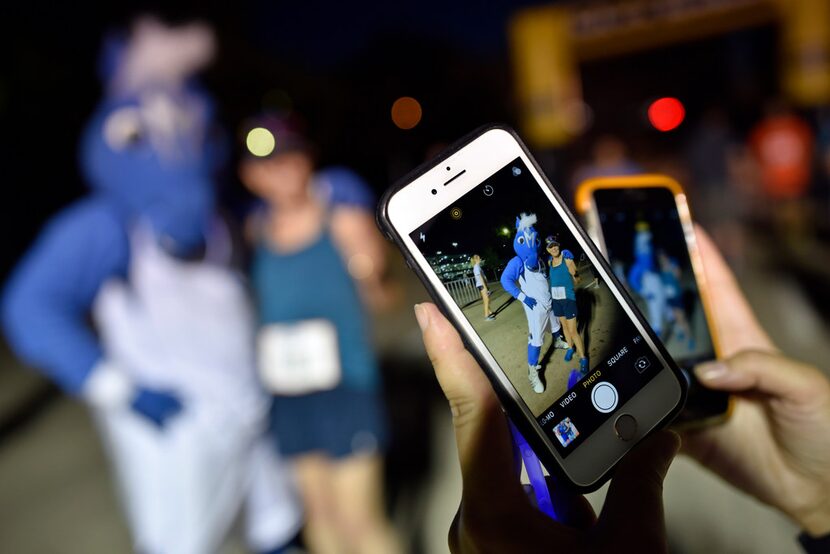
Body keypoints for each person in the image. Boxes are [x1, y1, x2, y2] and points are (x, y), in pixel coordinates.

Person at [1, 19, 301, 554]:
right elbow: (30, 306)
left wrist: (328, 196)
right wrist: (118, 388)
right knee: (181, 539)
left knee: (275, 523)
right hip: (175, 427)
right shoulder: (105, 227)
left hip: (248, 409)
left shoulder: (220, 220)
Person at [414, 226, 830, 553]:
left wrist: (817, 496)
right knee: (542, 342)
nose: (540, 245)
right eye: (536, 242)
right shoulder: (521, 264)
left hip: (562, 305)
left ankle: (567, 352)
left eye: (542, 242)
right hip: (541, 307)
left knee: (571, 334)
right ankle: (536, 368)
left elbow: (571, 273)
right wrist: (817, 499)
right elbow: (512, 276)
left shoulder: (551, 258)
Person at [239, 113, 401, 554]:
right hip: (286, 390)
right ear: (250, 175)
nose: (282, 170)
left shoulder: (340, 214)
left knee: (359, 522)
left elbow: (383, 299)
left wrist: (363, 258)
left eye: (290, 157)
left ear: (307, 159)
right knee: (318, 516)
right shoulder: (253, 231)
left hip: (345, 383)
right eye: (269, 163)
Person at [500, 213, 568, 394]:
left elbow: (549, 272)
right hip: (534, 307)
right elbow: (505, 280)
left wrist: (563, 255)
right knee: (536, 340)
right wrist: (522, 297)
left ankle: (558, 341)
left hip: (549, 303)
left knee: (555, 326)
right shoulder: (517, 261)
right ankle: (532, 370)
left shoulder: (540, 259)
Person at [546, 237, 587, 374]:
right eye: (551, 247)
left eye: (555, 245)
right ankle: (570, 348)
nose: (554, 248)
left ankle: (583, 358)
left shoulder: (567, 258)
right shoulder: (549, 261)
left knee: (573, 330)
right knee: (564, 328)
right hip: (556, 301)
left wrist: (574, 271)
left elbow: (578, 280)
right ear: (548, 249)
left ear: (558, 245)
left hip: (568, 299)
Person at [471, 254, 494, 320]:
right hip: (482, 285)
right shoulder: (476, 267)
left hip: (481, 285)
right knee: (486, 300)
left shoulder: (477, 266)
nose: (480, 259)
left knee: (486, 300)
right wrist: (485, 286)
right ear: (476, 259)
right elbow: (480, 277)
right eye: (479, 258)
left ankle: (489, 312)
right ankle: (486, 316)